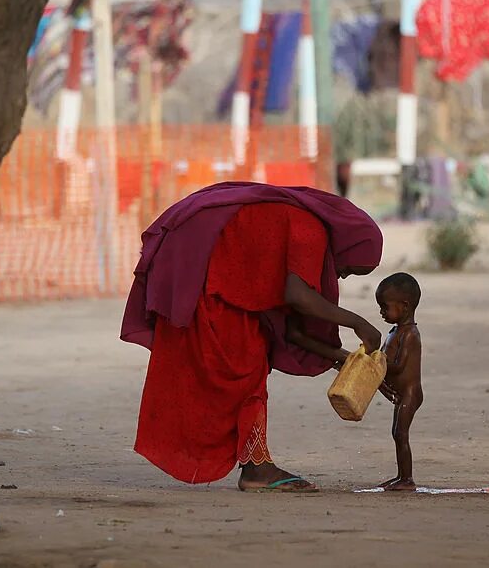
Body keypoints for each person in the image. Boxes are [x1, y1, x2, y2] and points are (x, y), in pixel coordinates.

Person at [120, 182, 383, 492]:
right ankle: (257, 468)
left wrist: (351, 362)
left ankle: (256, 464)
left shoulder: (304, 223)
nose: (341, 276)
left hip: (213, 280)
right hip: (208, 284)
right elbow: (297, 297)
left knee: (254, 363)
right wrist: (358, 322)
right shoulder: (310, 230)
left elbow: (292, 331)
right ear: (348, 246)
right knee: (246, 371)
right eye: (350, 269)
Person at [374, 272, 423, 491]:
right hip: (402, 393)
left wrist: (376, 365)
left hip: (410, 393)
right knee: (396, 433)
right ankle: (401, 476)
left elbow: (399, 365)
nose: (382, 312)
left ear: (404, 306)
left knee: (401, 434)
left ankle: (407, 479)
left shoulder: (410, 334)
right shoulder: (394, 332)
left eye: (385, 307)